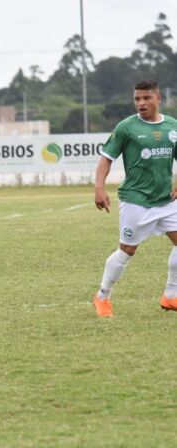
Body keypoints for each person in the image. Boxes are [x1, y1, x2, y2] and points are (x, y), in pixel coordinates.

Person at [93, 79, 177, 317]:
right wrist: (99, 187)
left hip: (166, 201)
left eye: (146, 98)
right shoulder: (126, 128)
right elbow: (106, 158)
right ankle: (102, 296)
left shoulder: (173, 126)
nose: (141, 103)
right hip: (136, 200)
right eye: (137, 99)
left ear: (158, 99)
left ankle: (171, 295)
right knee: (127, 250)